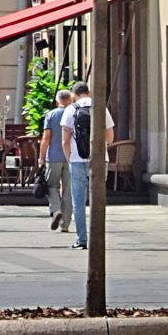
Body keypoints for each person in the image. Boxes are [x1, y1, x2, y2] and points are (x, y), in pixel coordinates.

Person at [64, 82, 113, 250]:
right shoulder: (101, 108)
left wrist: (69, 158)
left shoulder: (70, 110)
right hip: (99, 160)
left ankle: (82, 239)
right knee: (97, 201)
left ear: (74, 94)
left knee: (78, 203)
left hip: (77, 160)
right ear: (89, 92)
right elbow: (110, 137)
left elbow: (65, 141)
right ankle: (98, 239)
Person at [41, 88, 73, 231]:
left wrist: (41, 157)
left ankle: (56, 209)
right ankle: (65, 224)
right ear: (70, 99)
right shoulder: (74, 113)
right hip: (71, 157)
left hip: (53, 156)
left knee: (51, 186)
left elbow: (46, 137)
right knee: (68, 190)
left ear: (57, 101)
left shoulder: (51, 114)